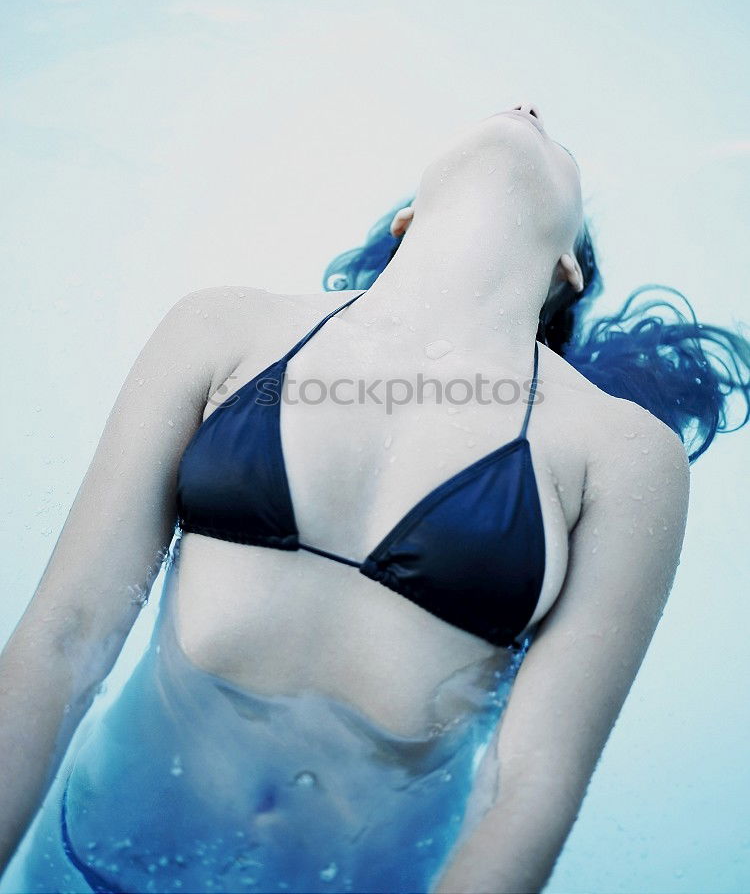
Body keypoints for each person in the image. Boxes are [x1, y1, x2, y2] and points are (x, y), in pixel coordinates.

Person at [1, 104, 748, 894]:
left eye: (555, 139)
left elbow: (526, 789)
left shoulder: (623, 455)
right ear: (408, 217)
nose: (527, 107)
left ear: (569, 271)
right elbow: (64, 640)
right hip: (93, 863)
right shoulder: (221, 330)